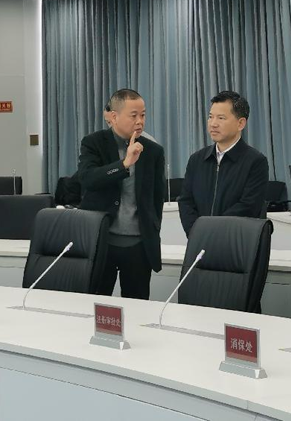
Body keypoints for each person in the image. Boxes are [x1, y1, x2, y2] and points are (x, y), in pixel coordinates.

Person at [79, 88, 165, 299]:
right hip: (101, 241)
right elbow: (88, 179)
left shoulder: (153, 151)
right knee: (95, 302)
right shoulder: (94, 143)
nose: (139, 121)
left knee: (137, 305)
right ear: (114, 117)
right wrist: (124, 164)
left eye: (143, 115)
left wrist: (152, 228)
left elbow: (157, 198)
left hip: (138, 245)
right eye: (133, 115)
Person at [178, 90, 269, 236]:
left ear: (240, 123)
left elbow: (248, 206)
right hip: (199, 240)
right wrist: (196, 233)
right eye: (210, 117)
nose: (213, 124)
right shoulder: (197, 159)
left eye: (221, 118)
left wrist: (213, 231)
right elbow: (186, 202)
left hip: (236, 241)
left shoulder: (256, 161)